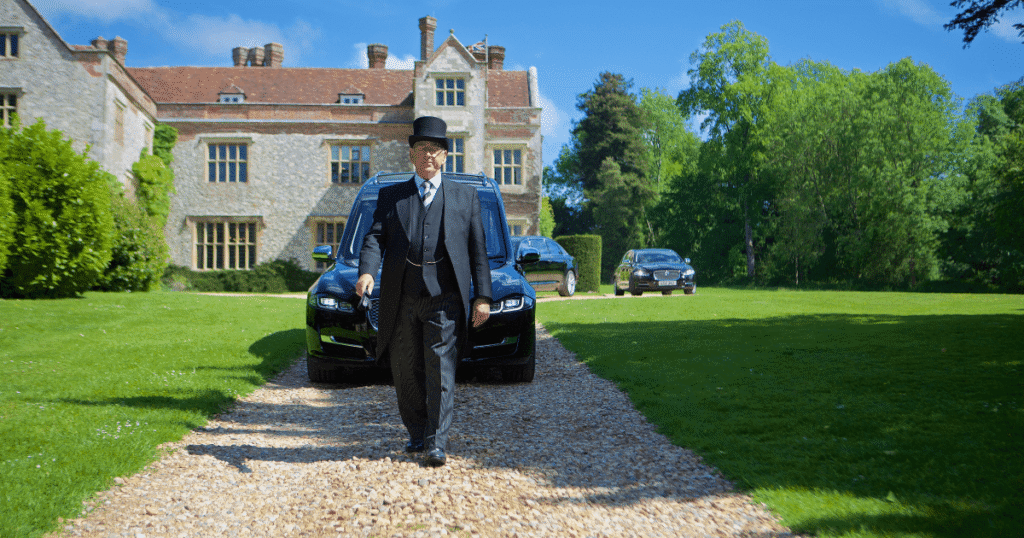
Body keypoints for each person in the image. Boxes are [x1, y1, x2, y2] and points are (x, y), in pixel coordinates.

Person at [355, 116, 492, 467]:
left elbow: (479, 251)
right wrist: (368, 272)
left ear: (446, 155)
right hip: (401, 298)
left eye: (434, 149)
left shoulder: (466, 197)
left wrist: (483, 297)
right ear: (411, 155)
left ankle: (436, 441)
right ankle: (416, 432)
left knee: (441, 369)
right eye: (420, 149)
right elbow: (374, 238)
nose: (427, 155)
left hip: (445, 299)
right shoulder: (391, 196)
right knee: (405, 368)